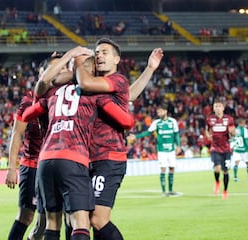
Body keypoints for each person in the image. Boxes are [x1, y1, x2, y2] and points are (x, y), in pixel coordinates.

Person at [23, 54, 134, 240]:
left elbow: (27, 114)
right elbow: (127, 121)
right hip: (73, 159)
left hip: (45, 161)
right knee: (81, 222)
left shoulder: (52, 93)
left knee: (52, 223)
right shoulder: (94, 94)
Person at [74, 38, 163, 240]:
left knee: (97, 219)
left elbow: (86, 82)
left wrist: (76, 60)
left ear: (116, 59)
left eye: (105, 52)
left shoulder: (117, 79)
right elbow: (129, 95)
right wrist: (149, 69)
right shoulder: (102, 84)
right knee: (84, 218)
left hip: (108, 158)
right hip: (87, 158)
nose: (99, 55)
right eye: (97, 52)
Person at [5, 56, 64, 240]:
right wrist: (12, 168)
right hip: (32, 165)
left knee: (49, 220)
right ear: (42, 74)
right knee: (26, 216)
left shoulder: (64, 97)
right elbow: (17, 133)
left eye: (61, 69)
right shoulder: (29, 100)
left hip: (56, 165)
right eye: (54, 69)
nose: (58, 73)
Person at [134, 103, 181, 197]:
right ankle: (164, 191)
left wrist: (178, 146)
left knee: (172, 168)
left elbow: (176, 134)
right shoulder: (156, 123)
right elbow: (148, 132)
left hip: (171, 149)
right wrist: (136, 136)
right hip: (162, 150)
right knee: (163, 168)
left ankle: (170, 190)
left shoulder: (173, 121)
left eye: (160, 111)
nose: (159, 113)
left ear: (165, 111)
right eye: (158, 112)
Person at [205, 97, 235, 199]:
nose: (217, 108)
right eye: (215, 106)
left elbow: (233, 133)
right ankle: (217, 181)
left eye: (219, 106)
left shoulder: (229, 119)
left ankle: (225, 191)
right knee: (217, 168)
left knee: (225, 171)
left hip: (226, 149)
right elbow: (207, 129)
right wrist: (208, 135)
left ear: (223, 108)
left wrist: (233, 133)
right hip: (215, 148)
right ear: (213, 108)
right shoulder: (210, 119)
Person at [231, 118, 248, 182]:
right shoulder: (244, 130)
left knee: (236, 163)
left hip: (236, 150)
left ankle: (235, 177)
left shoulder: (235, 130)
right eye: (244, 123)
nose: (245, 124)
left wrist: (232, 147)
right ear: (240, 123)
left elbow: (232, 139)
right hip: (244, 150)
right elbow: (246, 139)